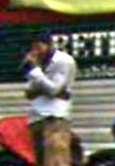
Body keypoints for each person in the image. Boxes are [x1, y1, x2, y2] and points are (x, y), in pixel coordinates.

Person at [23, 34, 78, 166]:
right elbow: (29, 92)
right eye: (33, 49)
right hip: (37, 117)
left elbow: (53, 89)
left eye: (39, 48)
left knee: (56, 158)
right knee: (41, 159)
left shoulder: (63, 61)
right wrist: (38, 78)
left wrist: (35, 71)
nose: (36, 52)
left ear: (50, 45)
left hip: (54, 116)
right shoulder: (38, 63)